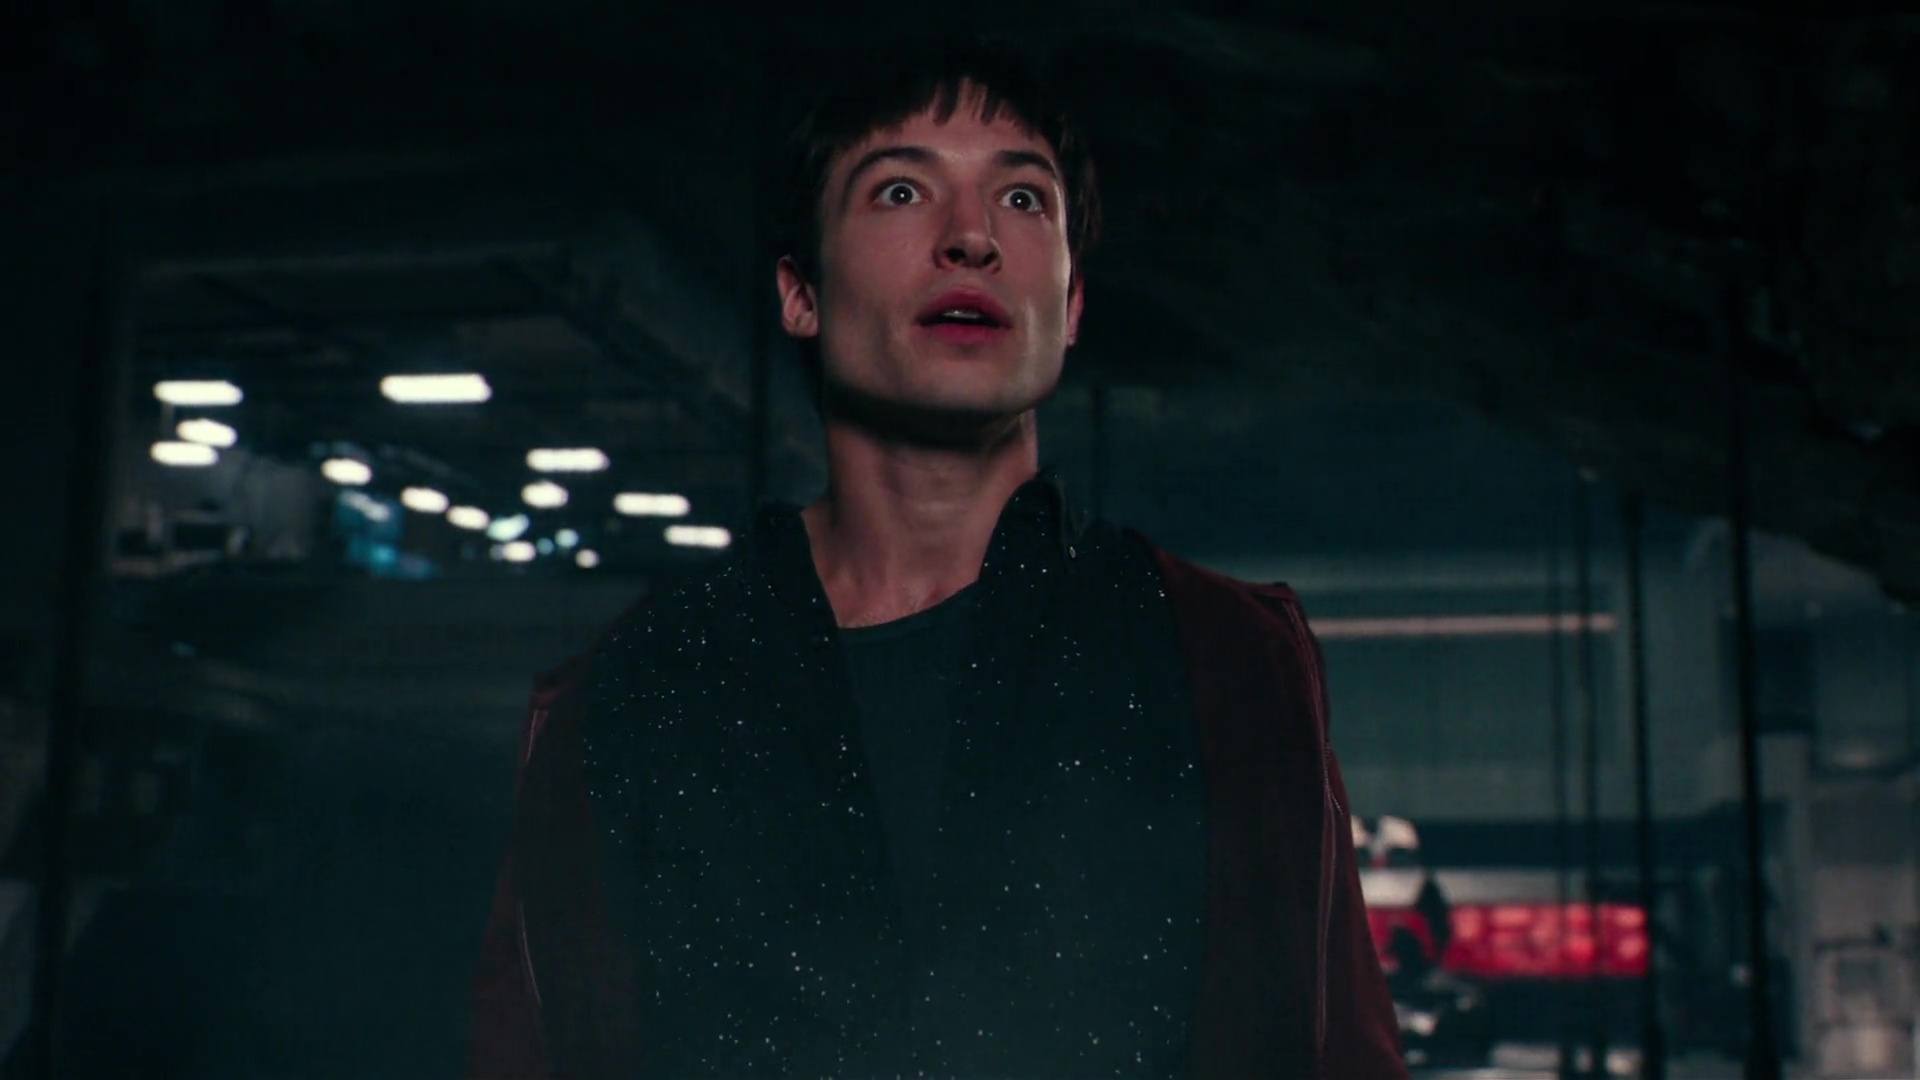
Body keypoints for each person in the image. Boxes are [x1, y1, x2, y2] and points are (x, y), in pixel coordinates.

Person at [469, 38, 1401, 1079]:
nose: (971, 238)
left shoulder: (1228, 659)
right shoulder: (632, 693)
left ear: (1071, 307)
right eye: (902, 190)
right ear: (800, 293)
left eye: (1023, 200)